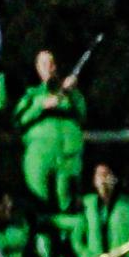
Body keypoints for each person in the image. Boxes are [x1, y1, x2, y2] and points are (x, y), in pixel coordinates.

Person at [12, 48, 87, 211]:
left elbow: (82, 115)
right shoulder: (31, 95)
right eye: (44, 63)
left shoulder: (72, 95)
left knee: (69, 207)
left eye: (52, 63)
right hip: (40, 158)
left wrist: (71, 92)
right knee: (40, 205)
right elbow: (19, 119)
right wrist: (41, 104)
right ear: (38, 68)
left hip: (68, 158)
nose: (49, 67)